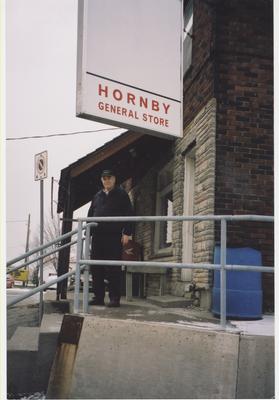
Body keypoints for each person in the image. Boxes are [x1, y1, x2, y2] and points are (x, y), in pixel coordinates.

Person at [87, 169, 133, 307]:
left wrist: (127, 232)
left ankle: (114, 298)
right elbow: (90, 215)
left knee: (113, 268)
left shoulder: (121, 194)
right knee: (96, 268)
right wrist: (87, 233)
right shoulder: (97, 196)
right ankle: (98, 297)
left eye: (109, 178)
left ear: (114, 179)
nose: (107, 180)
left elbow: (129, 213)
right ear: (102, 180)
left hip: (113, 237)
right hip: (98, 237)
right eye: (104, 178)